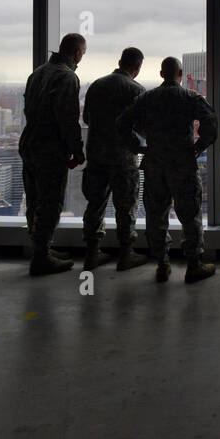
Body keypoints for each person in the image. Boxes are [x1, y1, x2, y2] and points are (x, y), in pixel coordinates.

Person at [117, 57, 218, 284]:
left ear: (162, 74)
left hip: (154, 164)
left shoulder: (147, 98)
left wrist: (138, 147)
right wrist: (199, 145)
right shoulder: (189, 97)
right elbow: (210, 121)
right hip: (182, 163)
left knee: (156, 214)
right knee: (190, 214)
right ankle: (194, 264)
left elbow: (122, 123)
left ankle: (162, 264)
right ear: (180, 73)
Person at [19, 33, 86, 276]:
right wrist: (77, 150)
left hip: (30, 144)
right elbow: (67, 119)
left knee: (34, 199)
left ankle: (41, 248)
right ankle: (41, 257)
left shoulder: (37, 73)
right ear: (77, 52)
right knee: (50, 202)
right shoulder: (67, 77)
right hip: (51, 148)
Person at [80, 47, 148, 272]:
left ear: (119, 61)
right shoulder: (136, 90)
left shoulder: (97, 85)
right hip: (123, 159)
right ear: (137, 67)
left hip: (97, 155)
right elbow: (142, 126)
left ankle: (92, 253)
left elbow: (87, 118)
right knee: (126, 207)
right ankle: (126, 254)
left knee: (95, 205)